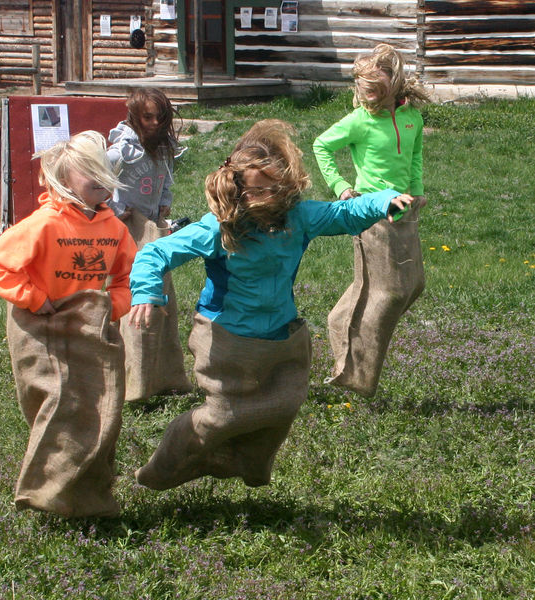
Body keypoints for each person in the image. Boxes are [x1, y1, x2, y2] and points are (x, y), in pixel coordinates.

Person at [128, 119, 412, 491]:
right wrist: (147, 292)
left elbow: (345, 214)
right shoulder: (221, 227)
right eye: (255, 190)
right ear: (237, 187)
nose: (265, 198)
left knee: (281, 408)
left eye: (273, 189)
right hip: (227, 336)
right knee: (221, 417)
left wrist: (383, 199)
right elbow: (156, 252)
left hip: (280, 333)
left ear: (288, 185)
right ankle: (166, 463)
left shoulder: (300, 218)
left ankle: (243, 463)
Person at [0, 130, 137, 518]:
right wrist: (35, 298)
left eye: (106, 174)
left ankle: (86, 493)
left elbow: (128, 275)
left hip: (86, 324)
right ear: (66, 181)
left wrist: (111, 306)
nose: (102, 182)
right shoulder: (46, 223)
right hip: (39, 323)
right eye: (92, 175)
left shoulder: (113, 228)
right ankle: (47, 490)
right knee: (56, 400)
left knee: (97, 404)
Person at [313, 43, 431, 398]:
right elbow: (322, 145)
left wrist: (418, 189)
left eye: (376, 92)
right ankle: (355, 375)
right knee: (389, 291)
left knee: (410, 285)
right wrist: (342, 188)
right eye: (365, 93)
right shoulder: (359, 121)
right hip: (371, 210)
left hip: (403, 208)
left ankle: (339, 321)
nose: (369, 100)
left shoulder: (412, 118)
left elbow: (414, 157)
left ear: (393, 86)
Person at [107, 88, 191, 402]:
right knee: (132, 294)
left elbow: (165, 178)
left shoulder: (163, 149)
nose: (154, 122)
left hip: (154, 228)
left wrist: (165, 201)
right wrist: (113, 209)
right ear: (134, 115)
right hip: (128, 230)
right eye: (147, 116)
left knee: (160, 296)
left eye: (160, 116)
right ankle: (131, 379)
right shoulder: (122, 150)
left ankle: (163, 376)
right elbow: (94, 176)